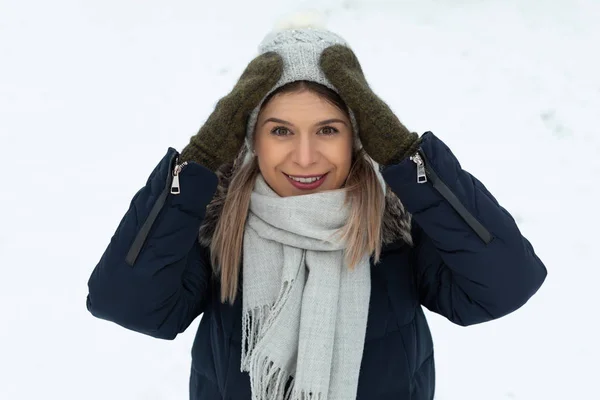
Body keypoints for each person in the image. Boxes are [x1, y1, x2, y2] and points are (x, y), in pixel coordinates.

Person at [86, 27, 547, 400]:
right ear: (250, 139)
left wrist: (412, 159)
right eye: (280, 130)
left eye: (328, 129)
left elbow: (506, 284)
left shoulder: (395, 224)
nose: (305, 158)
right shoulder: (218, 223)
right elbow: (128, 303)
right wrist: (198, 162)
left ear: (360, 135)